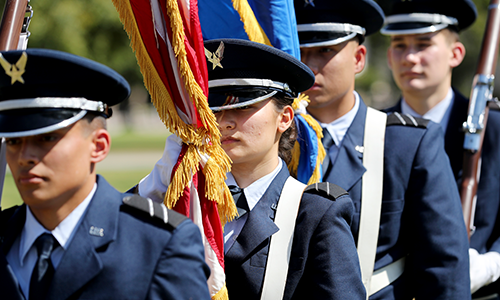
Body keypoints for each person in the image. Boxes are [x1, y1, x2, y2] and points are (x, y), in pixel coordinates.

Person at [137, 38, 366, 299]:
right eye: (214, 108)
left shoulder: (315, 213)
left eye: (243, 106)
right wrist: (160, 179)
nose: (224, 122)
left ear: (284, 118)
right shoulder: (182, 196)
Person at [0, 49, 211, 300]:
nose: (24, 156)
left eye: (47, 138)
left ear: (98, 146)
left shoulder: (158, 245)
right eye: (13, 141)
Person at [294, 0, 470, 299]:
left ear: (359, 58)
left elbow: (444, 267)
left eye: (326, 50)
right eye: (300, 52)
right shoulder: (273, 143)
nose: (309, 66)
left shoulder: (406, 143)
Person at [382, 0, 500, 298]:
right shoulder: (375, 130)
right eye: (399, 45)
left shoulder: (494, 127)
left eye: (423, 44)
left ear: (456, 53)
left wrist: (492, 263)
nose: (409, 57)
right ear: (388, 56)